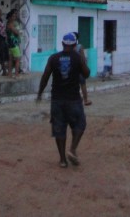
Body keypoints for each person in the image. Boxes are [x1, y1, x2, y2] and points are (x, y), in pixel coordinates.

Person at [36, 32, 90, 168]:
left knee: (59, 129)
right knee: (80, 124)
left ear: (62, 44)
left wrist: (40, 93)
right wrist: (82, 60)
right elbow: (86, 74)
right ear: (75, 45)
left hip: (57, 100)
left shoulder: (53, 58)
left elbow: (45, 76)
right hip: (73, 99)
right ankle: (72, 149)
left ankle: (62, 160)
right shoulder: (77, 58)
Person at [73, 32, 92, 105]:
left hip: (72, 69)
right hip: (79, 69)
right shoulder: (79, 47)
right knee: (83, 84)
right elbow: (83, 59)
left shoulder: (68, 47)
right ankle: (85, 100)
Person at [6, 10, 22, 76]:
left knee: (10, 59)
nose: (14, 17)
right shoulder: (10, 24)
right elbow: (17, 32)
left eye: (15, 16)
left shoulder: (8, 24)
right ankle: (16, 74)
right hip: (14, 44)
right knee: (17, 59)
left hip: (10, 44)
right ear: (10, 17)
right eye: (13, 16)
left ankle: (10, 73)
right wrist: (17, 31)